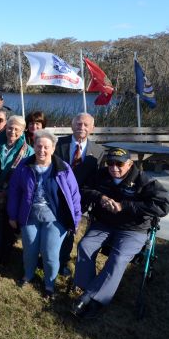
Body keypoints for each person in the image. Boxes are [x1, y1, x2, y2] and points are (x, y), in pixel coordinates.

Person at [71, 148, 169, 320]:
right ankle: (88, 292)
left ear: (130, 164)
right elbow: (83, 189)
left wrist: (125, 206)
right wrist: (100, 197)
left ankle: (93, 299)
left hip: (133, 229)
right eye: (110, 163)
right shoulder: (101, 175)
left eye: (119, 163)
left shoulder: (144, 181)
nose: (114, 167)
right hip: (104, 224)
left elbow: (163, 205)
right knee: (85, 246)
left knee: (118, 258)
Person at [7, 129, 82, 299]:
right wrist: (12, 215)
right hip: (29, 216)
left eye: (46, 147)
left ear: (53, 148)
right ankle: (28, 275)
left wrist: (76, 220)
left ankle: (49, 284)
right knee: (30, 250)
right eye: (38, 146)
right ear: (34, 146)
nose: (42, 150)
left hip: (56, 218)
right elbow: (14, 191)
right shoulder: (24, 166)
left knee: (50, 254)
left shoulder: (63, 168)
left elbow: (75, 195)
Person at [54, 112, 105, 276]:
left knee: (70, 230)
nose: (81, 127)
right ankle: (48, 257)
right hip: (57, 195)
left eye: (85, 125)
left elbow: (98, 178)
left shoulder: (98, 151)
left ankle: (62, 261)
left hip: (80, 199)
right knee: (53, 227)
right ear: (72, 125)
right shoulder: (59, 144)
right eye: (78, 124)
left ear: (92, 128)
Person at [0, 116, 34, 265]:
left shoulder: (28, 151)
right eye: (10, 128)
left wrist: (8, 192)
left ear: (23, 131)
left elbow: (27, 177)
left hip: (12, 194)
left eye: (16, 129)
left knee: (8, 225)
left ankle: (4, 254)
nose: (12, 131)